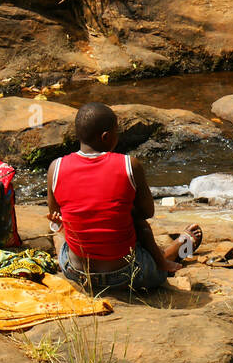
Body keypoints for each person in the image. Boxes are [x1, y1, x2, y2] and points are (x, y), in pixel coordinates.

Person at [46, 102, 201, 296]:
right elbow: (147, 212)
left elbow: (55, 214)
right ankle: (172, 255)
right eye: (116, 132)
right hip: (126, 275)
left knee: (60, 228)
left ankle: (162, 256)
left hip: (76, 272)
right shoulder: (129, 164)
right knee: (138, 223)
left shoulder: (56, 167)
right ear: (106, 137)